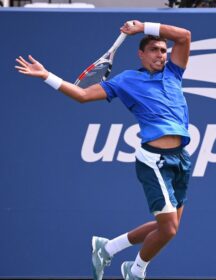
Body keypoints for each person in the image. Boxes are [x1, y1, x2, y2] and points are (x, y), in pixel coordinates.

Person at [15, 20, 192, 280]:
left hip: (181, 159)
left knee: (165, 225)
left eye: (163, 50)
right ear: (141, 54)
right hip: (154, 160)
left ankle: (108, 247)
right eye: (154, 50)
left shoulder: (174, 72)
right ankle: (135, 271)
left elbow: (184, 36)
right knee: (169, 229)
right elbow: (82, 95)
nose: (160, 55)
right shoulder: (126, 81)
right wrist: (47, 76)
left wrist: (144, 26)